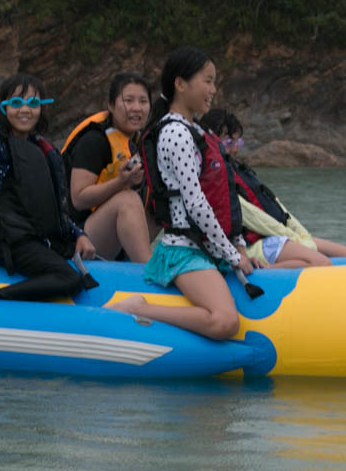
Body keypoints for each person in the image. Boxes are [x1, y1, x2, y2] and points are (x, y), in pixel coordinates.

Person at [106, 47, 258, 340]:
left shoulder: (197, 131)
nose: (213, 90)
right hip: (183, 251)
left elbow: (222, 198)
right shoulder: (175, 133)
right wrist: (232, 254)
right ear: (180, 83)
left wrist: (237, 246)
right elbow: (196, 203)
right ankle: (141, 307)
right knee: (225, 322)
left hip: (205, 247)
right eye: (208, 81)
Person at [0, 73, 96, 302]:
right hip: (12, 244)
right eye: (16, 103)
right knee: (70, 279)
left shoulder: (39, 145)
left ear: (42, 108)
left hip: (39, 237)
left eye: (33, 103)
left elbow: (52, 207)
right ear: (4, 108)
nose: (25, 109)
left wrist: (79, 235)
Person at [199, 109, 346, 267]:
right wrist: (296, 239)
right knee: (321, 262)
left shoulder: (239, 170)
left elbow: (277, 206)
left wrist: (302, 235)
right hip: (253, 244)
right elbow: (253, 217)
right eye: (228, 143)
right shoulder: (214, 178)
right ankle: (266, 271)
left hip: (276, 237)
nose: (234, 149)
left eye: (238, 142)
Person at [60, 72, 156, 262]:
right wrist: (121, 182)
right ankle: (146, 269)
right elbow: (78, 199)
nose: (137, 108)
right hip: (78, 237)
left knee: (164, 202)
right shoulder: (94, 141)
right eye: (128, 100)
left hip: (108, 233)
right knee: (126, 200)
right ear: (111, 105)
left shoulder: (135, 142)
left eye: (143, 101)